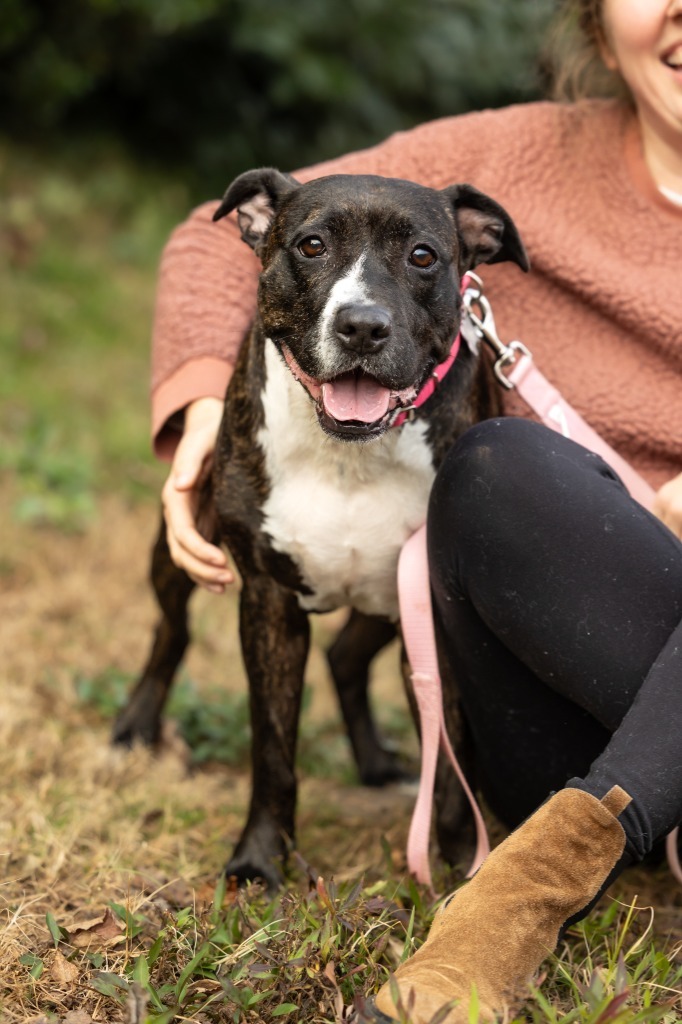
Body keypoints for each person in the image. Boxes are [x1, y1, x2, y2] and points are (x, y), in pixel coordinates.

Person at [149, 0, 682, 1019]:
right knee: (490, 470)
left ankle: (554, 876)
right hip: (566, 663)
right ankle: (558, 866)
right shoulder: (507, 155)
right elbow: (221, 240)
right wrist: (193, 408)